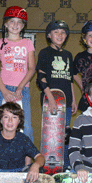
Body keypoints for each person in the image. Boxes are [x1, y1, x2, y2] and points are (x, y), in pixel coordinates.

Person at [36, 20, 77, 170]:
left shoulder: (68, 54)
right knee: (51, 132)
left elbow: (70, 79)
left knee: (65, 134)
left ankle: (65, 165)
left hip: (66, 100)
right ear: (49, 35)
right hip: (51, 100)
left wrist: (73, 99)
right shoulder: (44, 53)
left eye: (63, 32)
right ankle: (48, 164)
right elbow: (41, 78)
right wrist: (50, 98)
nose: (60, 35)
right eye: (56, 32)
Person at [0, 6, 36, 148]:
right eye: (12, 22)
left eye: (19, 22)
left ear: (23, 26)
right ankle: (6, 160)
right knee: (6, 126)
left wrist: (20, 88)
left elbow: (31, 68)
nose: (15, 25)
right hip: (4, 88)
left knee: (26, 127)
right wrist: (4, 91)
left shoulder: (27, 43)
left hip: (22, 89)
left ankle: (29, 164)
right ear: (6, 24)